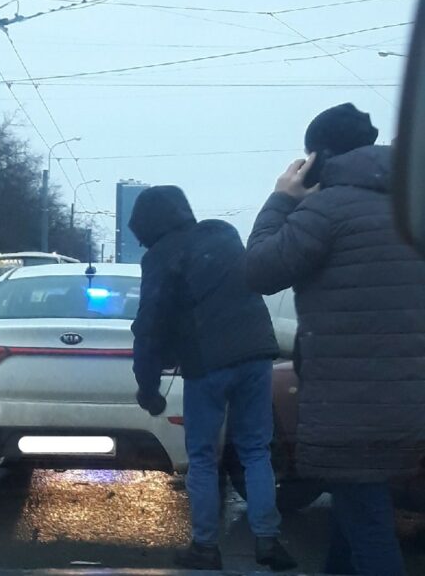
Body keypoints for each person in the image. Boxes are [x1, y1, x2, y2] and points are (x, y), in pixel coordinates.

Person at [246, 103, 425, 576]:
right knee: (354, 518)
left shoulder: (326, 210)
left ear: (318, 157)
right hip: (410, 403)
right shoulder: (413, 201)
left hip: (351, 406)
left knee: (369, 532)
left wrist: (282, 198)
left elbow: (260, 269)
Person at [129, 185, 295, 571]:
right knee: (255, 450)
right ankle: (268, 539)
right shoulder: (223, 233)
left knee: (203, 456)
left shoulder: (161, 256)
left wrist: (148, 386)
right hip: (255, 354)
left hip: (208, 364)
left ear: (147, 227)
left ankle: (205, 546)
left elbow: (150, 326)